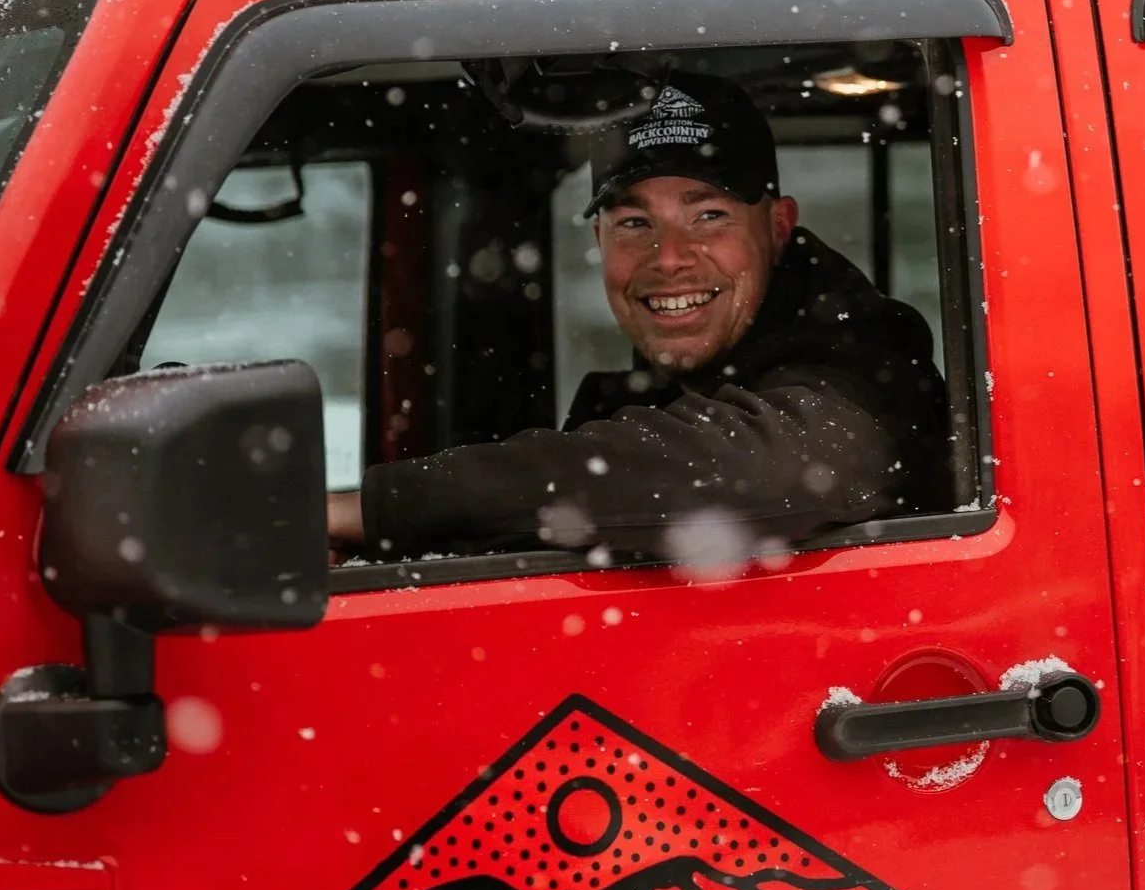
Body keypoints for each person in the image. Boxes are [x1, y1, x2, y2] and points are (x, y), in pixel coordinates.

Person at [327, 73, 950, 564]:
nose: (669, 258)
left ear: (778, 227)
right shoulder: (659, 393)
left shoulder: (869, 380)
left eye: (708, 216)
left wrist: (379, 509)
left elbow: (752, 475)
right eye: (633, 224)